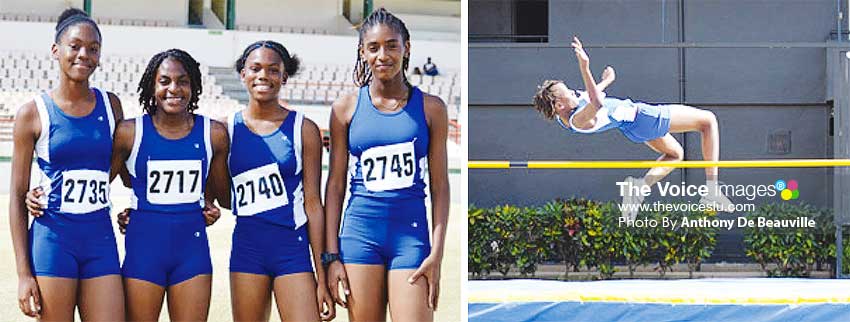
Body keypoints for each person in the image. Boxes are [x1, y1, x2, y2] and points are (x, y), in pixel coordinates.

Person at [324, 8, 450, 322]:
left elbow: (440, 186)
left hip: (411, 238)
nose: (383, 55)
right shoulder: (345, 109)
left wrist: (437, 252)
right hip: (359, 237)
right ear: (362, 52)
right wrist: (331, 256)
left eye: (392, 45)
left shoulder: (432, 108)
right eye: (374, 47)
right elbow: (335, 185)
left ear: (407, 48)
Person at [531, 36, 734, 219]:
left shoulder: (565, 114)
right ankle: (712, 190)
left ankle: (639, 188)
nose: (574, 93)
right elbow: (596, 102)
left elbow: (588, 95)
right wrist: (585, 67)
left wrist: (606, 81)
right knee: (708, 121)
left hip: (632, 128)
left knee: (675, 154)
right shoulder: (577, 120)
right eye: (569, 93)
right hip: (642, 117)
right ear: (559, 106)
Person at [10, 8, 126, 321]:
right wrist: (23, 275)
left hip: (100, 237)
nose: (83, 55)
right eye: (74, 46)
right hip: (53, 240)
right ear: (56, 50)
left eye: (93, 49)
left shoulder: (111, 105)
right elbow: (16, 198)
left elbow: (125, 170)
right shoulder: (32, 114)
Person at [113, 48, 228, 321]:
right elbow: (104, 180)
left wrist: (208, 204)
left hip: (192, 255)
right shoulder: (129, 133)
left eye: (183, 81)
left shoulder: (214, 134)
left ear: (194, 86)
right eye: (164, 81)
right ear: (152, 86)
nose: (173, 88)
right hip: (143, 253)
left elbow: (223, 194)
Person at [226, 40, 335, 322]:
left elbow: (313, 204)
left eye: (273, 70)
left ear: (284, 76)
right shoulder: (225, 130)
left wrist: (321, 276)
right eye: (256, 68)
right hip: (247, 251)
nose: (264, 75)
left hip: (292, 251)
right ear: (243, 74)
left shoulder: (304, 129)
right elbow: (216, 192)